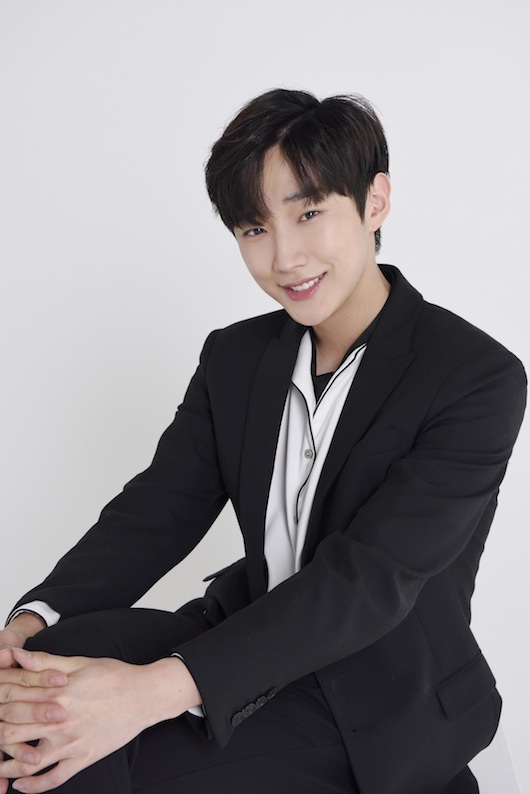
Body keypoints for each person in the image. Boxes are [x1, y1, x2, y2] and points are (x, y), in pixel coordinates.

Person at [0, 89, 526, 794]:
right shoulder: (236, 357)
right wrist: (32, 622)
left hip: (375, 692)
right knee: (47, 677)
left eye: (308, 214)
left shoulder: (474, 376)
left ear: (374, 202)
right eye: (254, 228)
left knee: (73, 743)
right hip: (242, 638)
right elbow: (157, 510)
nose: (284, 257)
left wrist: (151, 692)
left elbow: (366, 582)